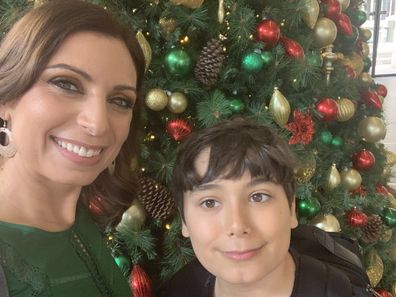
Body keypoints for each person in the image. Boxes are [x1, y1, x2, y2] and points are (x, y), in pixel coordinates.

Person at [0, 0, 145, 296]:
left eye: (120, 101)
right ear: (6, 98)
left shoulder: (80, 217)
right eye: (66, 84)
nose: (98, 124)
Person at [164, 118, 299, 297]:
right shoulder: (175, 291)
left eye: (258, 197)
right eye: (209, 202)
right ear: (184, 221)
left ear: (291, 208)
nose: (237, 226)